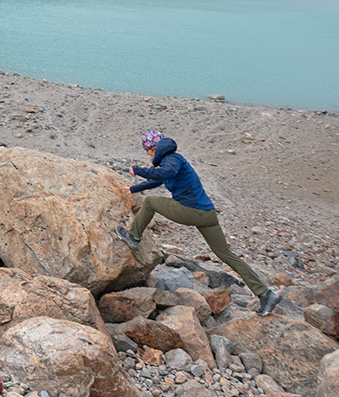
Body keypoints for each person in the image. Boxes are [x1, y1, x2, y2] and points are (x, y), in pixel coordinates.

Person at [115, 130, 282, 317]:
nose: (148, 155)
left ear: (153, 148)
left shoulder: (172, 159)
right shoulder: (172, 160)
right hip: (208, 214)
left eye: (148, 152)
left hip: (193, 211)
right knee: (226, 255)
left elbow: (166, 172)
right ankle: (266, 294)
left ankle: (133, 237)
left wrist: (138, 170)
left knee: (151, 202)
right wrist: (133, 188)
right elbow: (157, 180)